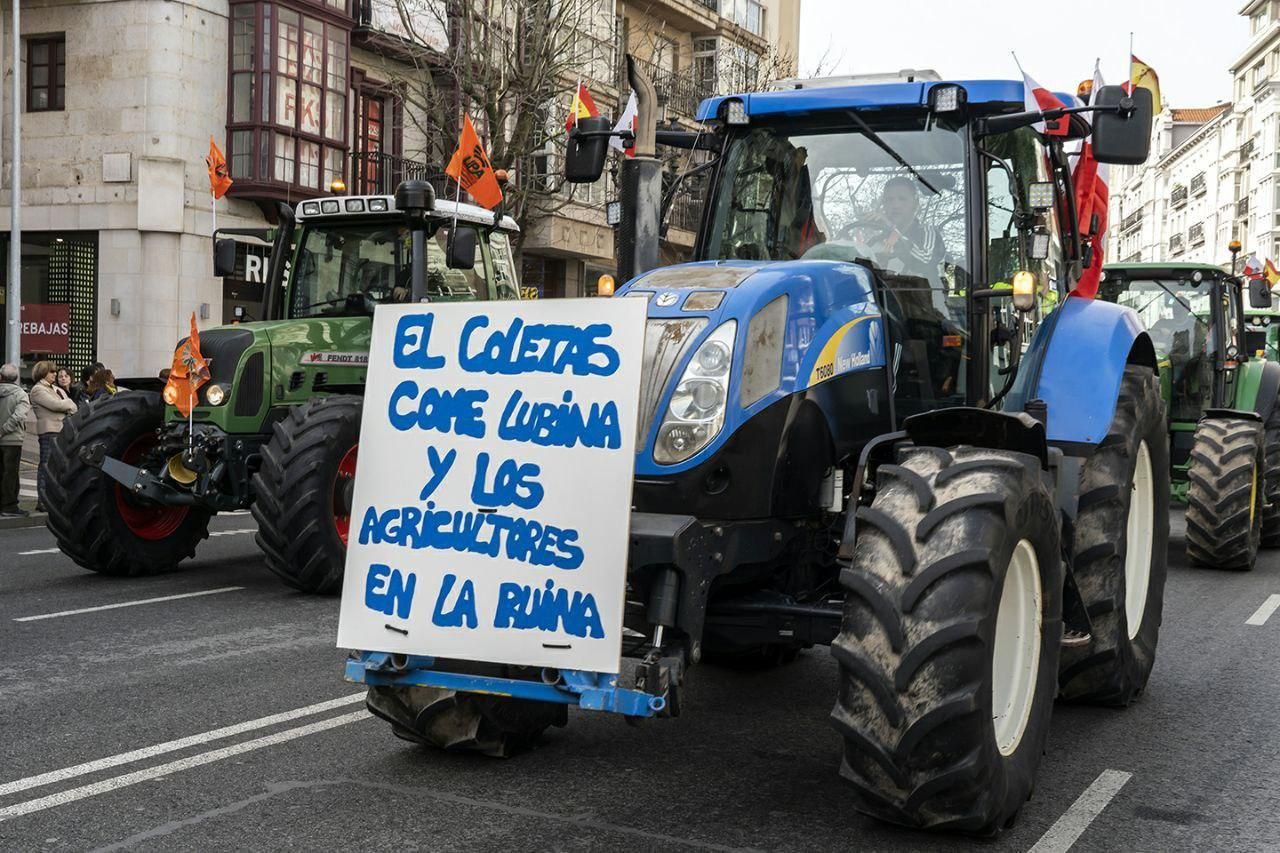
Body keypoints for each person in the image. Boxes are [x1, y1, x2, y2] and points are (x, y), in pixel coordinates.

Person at [854, 176, 947, 281]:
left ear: (915, 204)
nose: (896, 205)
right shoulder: (875, 242)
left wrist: (893, 231)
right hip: (881, 296)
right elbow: (858, 273)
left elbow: (925, 262)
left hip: (925, 296)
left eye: (902, 199)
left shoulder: (928, 234)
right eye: (889, 200)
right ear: (884, 205)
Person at [29, 359, 78, 512]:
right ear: (43, 373)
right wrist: (67, 404)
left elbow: (74, 408)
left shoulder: (56, 389)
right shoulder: (38, 389)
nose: (55, 374)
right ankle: (42, 501)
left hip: (61, 431)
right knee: (46, 466)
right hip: (49, 432)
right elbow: (57, 405)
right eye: (52, 371)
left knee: (58, 468)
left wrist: (67, 404)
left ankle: (53, 500)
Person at [0, 363, 31, 518]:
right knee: (10, 474)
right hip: (12, 440)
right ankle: (9, 506)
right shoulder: (21, 394)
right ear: (16, 378)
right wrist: (4, 430)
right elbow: (20, 415)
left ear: (1, 377)